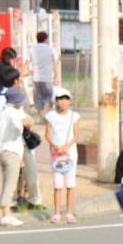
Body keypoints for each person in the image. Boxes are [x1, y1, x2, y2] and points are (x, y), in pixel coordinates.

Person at [0, 87, 35, 227]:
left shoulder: (2, 113)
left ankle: (7, 213)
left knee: (7, 181)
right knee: (10, 184)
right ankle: (6, 215)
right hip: (12, 152)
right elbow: (19, 127)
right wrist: (25, 123)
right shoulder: (13, 113)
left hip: (1, 151)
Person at [43, 87, 80, 224]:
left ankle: (69, 213)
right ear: (56, 101)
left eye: (66, 99)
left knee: (70, 185)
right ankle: (57, 213)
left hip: (70, 154)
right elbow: (47, 134)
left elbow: (76, 135)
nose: (63, 102)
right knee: (58, 185)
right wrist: (55, 146)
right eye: (60, 99)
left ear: (69, 101)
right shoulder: (51, 116)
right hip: (56, 154)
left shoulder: (73, 116)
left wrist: (66, 147)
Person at [29, 31, 59, 115]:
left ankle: (41, 115)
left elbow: (27, 62)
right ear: (46, 39)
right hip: (48, 78)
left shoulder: (32, 49)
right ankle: (44, 114)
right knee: (49, 97)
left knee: (37, 98)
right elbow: (55, 64)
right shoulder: (51, 49)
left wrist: (26, 72)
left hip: (36, 78)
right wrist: (56, 77)